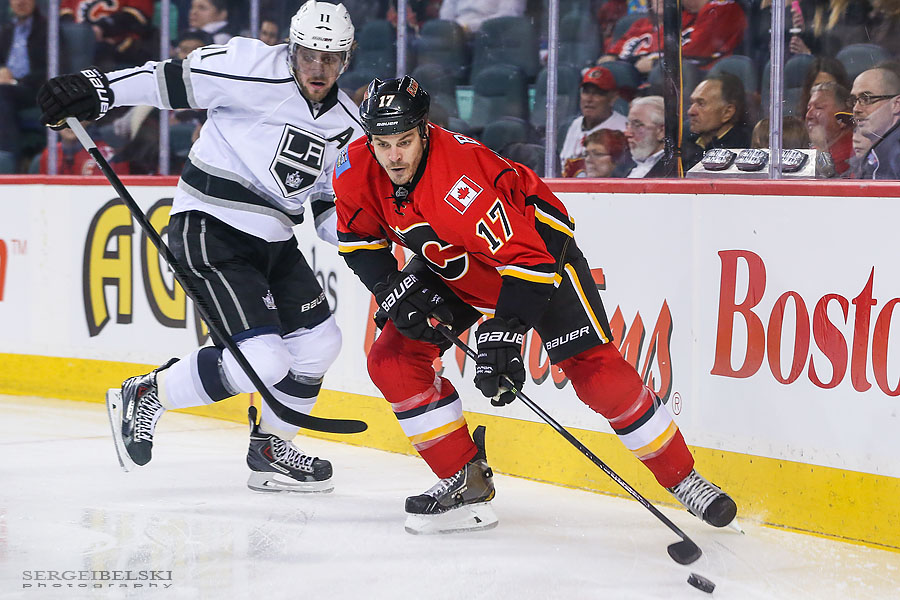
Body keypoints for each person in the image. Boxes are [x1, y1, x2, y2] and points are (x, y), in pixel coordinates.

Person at [332, 75, 739, 534]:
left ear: (424, 129)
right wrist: (389, 286)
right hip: (454, 264)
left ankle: (685, 480)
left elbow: (528, 258)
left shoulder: (460, 182)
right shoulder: (354, 168)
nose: (394, 156)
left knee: (595, 372)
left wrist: (506, 327)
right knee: (392, 360)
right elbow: (358, 240)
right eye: (382, 144)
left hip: (541, 259)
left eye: (404, 141)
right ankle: (464, 479)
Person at [37, 0, 365, 492]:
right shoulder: (249, 66)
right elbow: (167, 80)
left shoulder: (348, 123)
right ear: (292, 48)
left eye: (331, 58)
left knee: (320, 343)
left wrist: (369, 234)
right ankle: (147, 391)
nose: (317, 68)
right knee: (265, 360)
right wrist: (98, 91)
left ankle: (273, 449)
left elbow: (324, 203)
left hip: (275, 241)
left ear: (347, 59)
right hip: (210, 226)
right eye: (309, 55)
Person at [0, 0, 47, 172]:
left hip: (35, 89)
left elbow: (52, 67)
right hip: (7, 88)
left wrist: (18, 82)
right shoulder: (6, 31)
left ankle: (7, 158)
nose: (21, 2)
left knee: (2, 94)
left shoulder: (47, 30)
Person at [560, 66, 627, 178]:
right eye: (586, 92)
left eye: (597, 93)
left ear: (613, 98)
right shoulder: (574, 124)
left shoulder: (623, 129)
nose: (589, 99)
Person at [60, 0, 155, 70]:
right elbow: (64, 14)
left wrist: (103, 28)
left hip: (119, 49)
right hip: (76, 47)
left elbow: (138, 17)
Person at [683, 72, 750, 169]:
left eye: (701, 104)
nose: (690, 111)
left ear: (727, 112)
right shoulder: (686, 140)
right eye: (691, 103)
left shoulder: (741, 153)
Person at [852, 63, 900, 179]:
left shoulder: (896, 156)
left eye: (866, 99)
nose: (856, 109)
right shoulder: (878, 151)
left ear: (896, 105)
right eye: (854, 100)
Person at [38, 120, 127, 175]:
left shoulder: (104, 154)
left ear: (87, 121)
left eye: (76, 119)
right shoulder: (50, 154)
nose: (69, 125)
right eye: (62, 119)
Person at [615, 95, 672, 177]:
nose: (627, 133)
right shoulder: (623, 166)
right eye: (628, 125)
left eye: (637, 125)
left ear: (661, 131)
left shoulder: (673, 169)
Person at [805, 81, 853, 177]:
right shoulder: (815, 149)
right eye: (808, 108)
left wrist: (821, 148)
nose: (808, 115)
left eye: (819, 108)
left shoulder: (854, 152)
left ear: (842, 119)